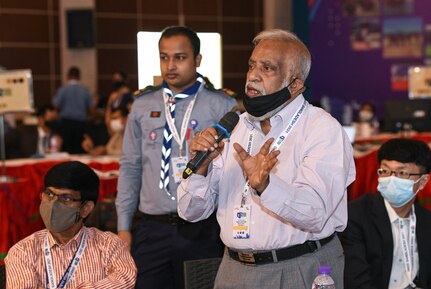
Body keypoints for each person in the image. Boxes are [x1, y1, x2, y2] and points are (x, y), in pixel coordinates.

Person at [177, 29, 356, 289]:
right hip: (233, 269)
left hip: (300, 267)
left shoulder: (322, 129)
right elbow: (191, 212)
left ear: (294, 84)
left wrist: (266, 186)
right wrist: (200, 169)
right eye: (251, 65)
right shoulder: (235, 126)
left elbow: (314, 213)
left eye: (267, 68)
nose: (252, 75)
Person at [115, 26, 237, 289]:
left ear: (198, 60)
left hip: (203, 230)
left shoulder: (221, 106)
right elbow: (130, 167)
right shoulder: (141, 105)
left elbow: (234, 171)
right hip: (152, 228)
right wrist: (123, 226)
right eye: (164, 57)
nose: (170, 65)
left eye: (179, 57)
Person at [5, 161, 137, 288]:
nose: (53, 204)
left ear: (85, 208)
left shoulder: (110, 246)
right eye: (49, 194)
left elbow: (126, 280)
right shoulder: (22, 251)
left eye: (66, 198)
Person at [340, 138, 431, 289]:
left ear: (422, 182)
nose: (391, 179)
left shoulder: (426, 221)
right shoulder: (356, 216)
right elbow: (355, 280)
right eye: (385, 171)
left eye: (402, 173)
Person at [53, 66, 93, 154]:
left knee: (66, 151)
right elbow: (91, 108)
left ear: (68, 76)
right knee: (79, 151)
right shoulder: (85, 90)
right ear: (79, 76)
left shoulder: (63, 89)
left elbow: (56, 105)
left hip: (65, 123)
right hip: (80, 124)